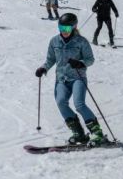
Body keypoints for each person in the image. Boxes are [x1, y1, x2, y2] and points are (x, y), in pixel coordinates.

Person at [35, 13, 107, 146]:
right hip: (61, 79)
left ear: (74, 27)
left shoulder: (81, 41)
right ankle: (78, 133)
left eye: (67, 29)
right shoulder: (54, 41)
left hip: (77, 78)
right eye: (61, 28)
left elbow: (90, 59)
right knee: (61, 102)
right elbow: (50, 59)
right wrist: (43, 68)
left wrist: (80, 63)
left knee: (79, 104)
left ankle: (97, 133)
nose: (64, 31)